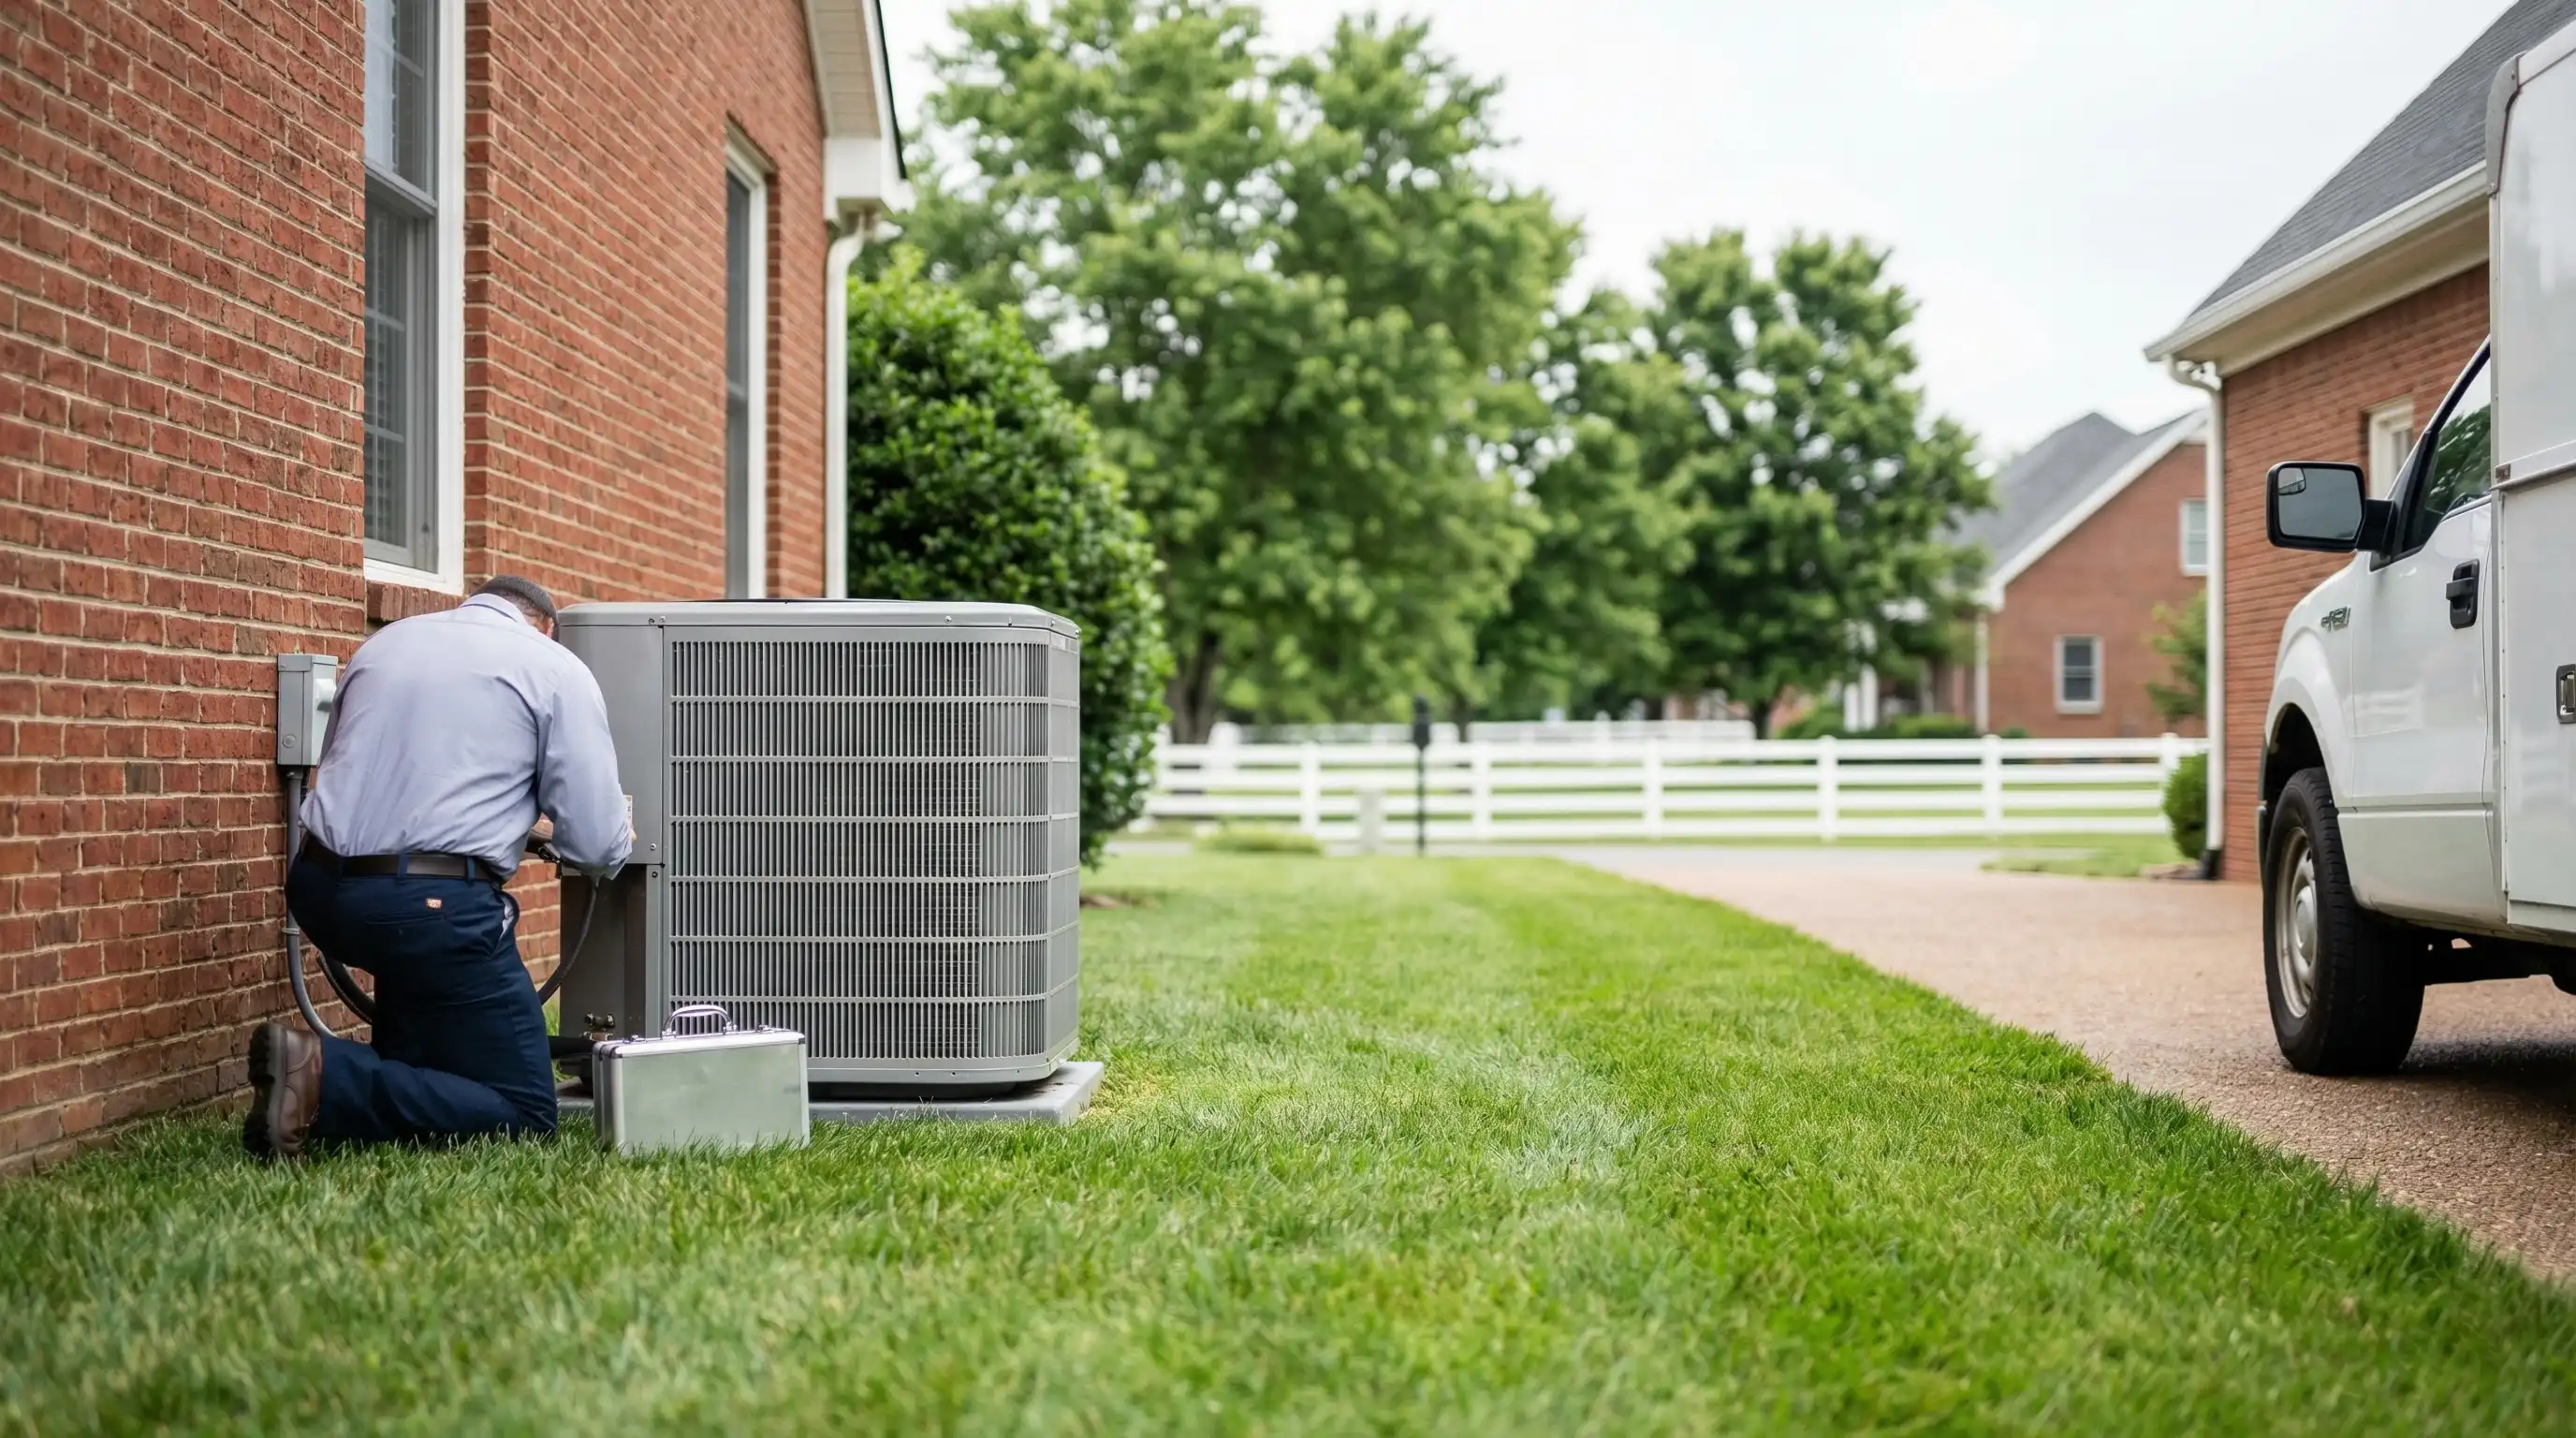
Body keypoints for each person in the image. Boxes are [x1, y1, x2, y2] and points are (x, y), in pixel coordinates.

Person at [243, 575, 632, 1159]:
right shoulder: (553, 667)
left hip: (319, 887)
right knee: (526, 1110)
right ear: (547, 627)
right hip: (429, 909)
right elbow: (598, 843)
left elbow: (387, 784)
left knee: (424, 995)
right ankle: (322, 1072)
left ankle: (330, 1096)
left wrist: (503, 826)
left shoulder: (387, 644)